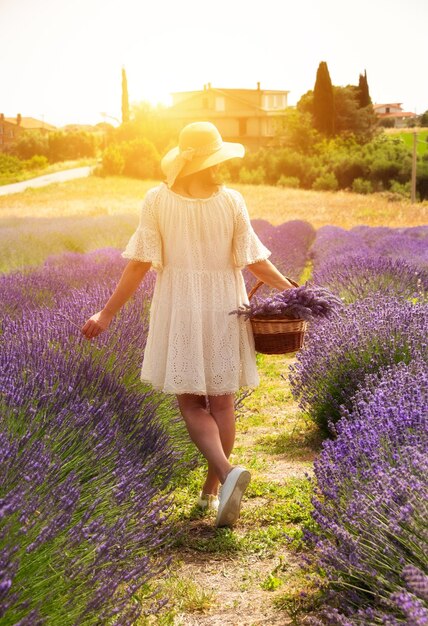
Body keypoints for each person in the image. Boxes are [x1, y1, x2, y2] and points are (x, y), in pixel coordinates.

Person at [81, 122, 295, 528]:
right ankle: (211, 495)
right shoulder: (232, 200)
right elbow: (255, 261)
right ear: (211, 160)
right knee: (223, 402)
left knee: (191, 403)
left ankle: (224, 477)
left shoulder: (157, 200)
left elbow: (139, 263)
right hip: (226, 306)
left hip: (180, 307)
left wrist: (106, 313)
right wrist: (293, 293)